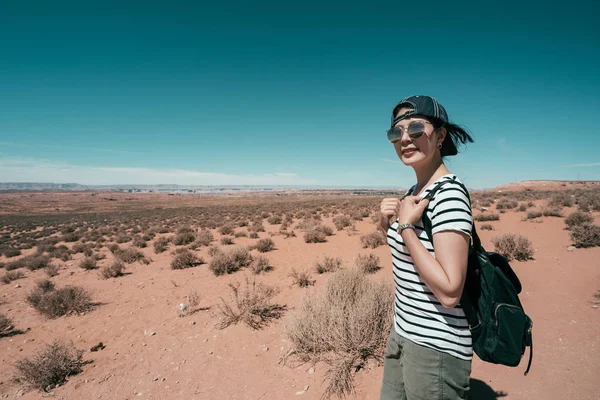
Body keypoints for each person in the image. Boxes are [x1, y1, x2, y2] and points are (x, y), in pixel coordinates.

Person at [378, 95, 475, 400]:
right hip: (403, 332)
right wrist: (388, 225)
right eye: (397, 132)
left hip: (436, 349)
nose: (405, 138)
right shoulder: (415, 192)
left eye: (416, 129)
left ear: (441, 135)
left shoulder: (449, 195)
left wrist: (405, 227)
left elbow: (449, 291)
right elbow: (411, 259)